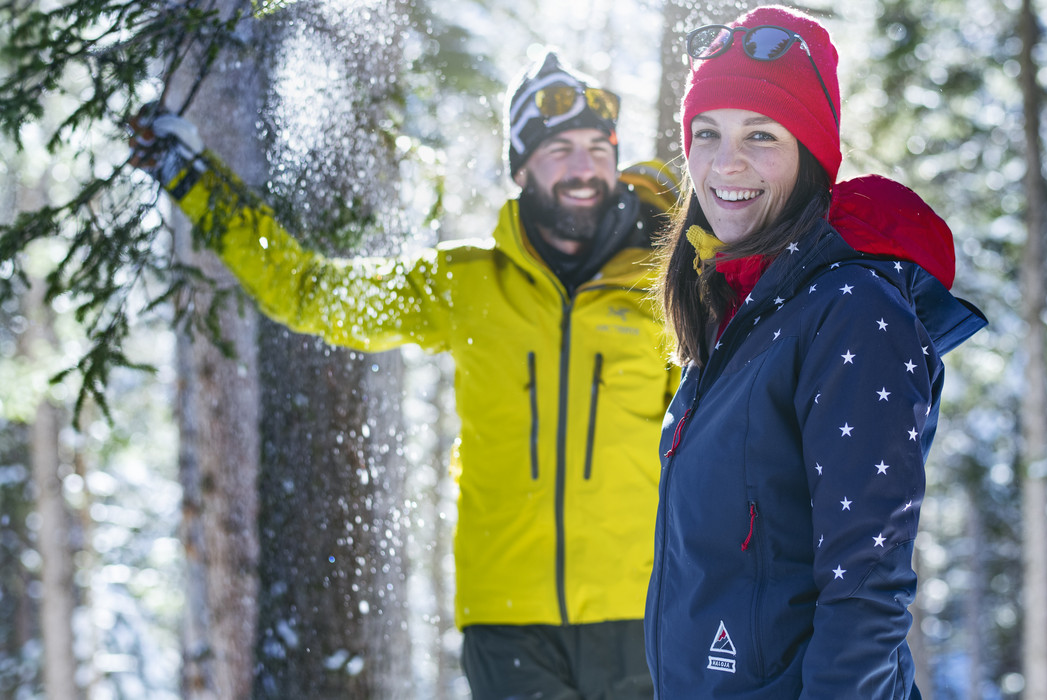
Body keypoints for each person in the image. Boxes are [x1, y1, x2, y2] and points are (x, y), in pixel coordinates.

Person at [130, 50, 679, 699]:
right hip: (508, 628)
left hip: (644, 616)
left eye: (596, 147)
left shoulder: (668, 289)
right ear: (521, 167)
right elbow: (306, 292)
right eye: (558, 149)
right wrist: (194, 179)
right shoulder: (466, 285)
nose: (583, 168)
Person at [643, 6, 987, 699]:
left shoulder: (852, 311)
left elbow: (866, 585)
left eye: (760, 134)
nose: (726, 162)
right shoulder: (739, 309)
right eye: (707, 133)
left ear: (811, 154)